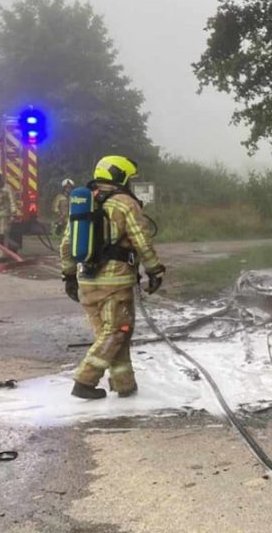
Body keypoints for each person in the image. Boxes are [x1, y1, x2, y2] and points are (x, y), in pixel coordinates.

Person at [60, 156, 165, 400]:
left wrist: (68, 276)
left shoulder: (84, 203)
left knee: (111, 335)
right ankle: (85, 381)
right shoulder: (125, 203)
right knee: (118, 330)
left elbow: (66, 244)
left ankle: (124, 384)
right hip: (115, 283)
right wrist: (154, 270)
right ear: (120, 176)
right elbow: (141, 240)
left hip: (86, 279)